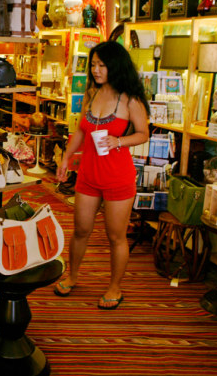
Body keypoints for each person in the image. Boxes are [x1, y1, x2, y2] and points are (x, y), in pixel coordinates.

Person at [54, 41, 150, 309]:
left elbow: (143, 133)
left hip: (118, 176)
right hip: (88, 174)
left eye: (102, 65)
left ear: (115, 66)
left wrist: (118, 141)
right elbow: (82, 132)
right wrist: (66, 158)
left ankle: (115, 287)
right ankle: (72, 275)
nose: (95, 70)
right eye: (93, 64)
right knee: (81, 229)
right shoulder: (91, 94)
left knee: (115, 236)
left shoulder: (130, 99)